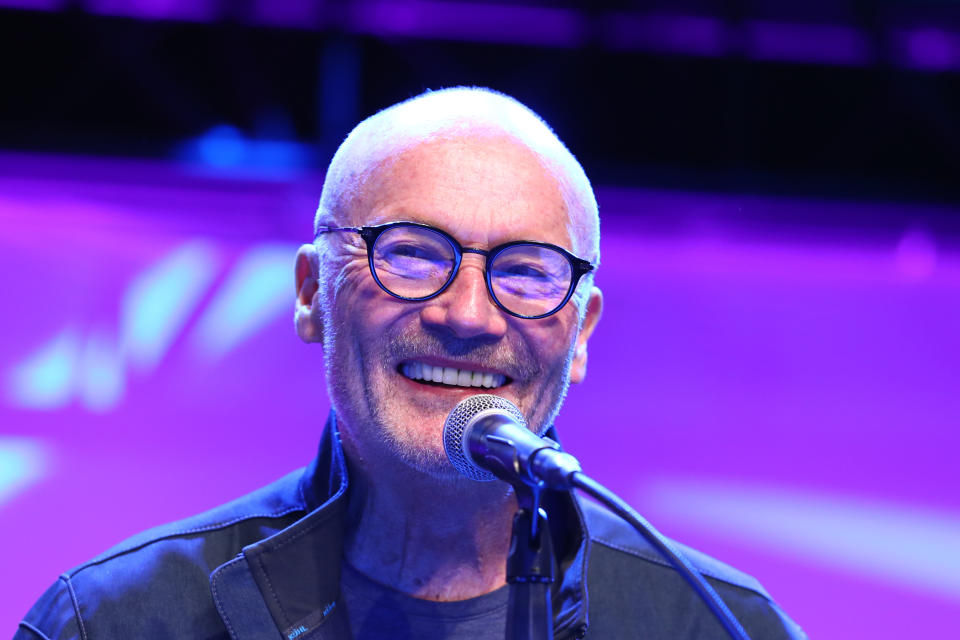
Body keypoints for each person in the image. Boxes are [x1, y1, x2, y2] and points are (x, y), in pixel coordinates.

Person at [15, 87, 805, 640]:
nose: (466, 314)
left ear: (584, 330)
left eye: (526, 270)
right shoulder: (118, 622)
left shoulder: (715, 625)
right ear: (310, 294)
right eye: (413, 255)